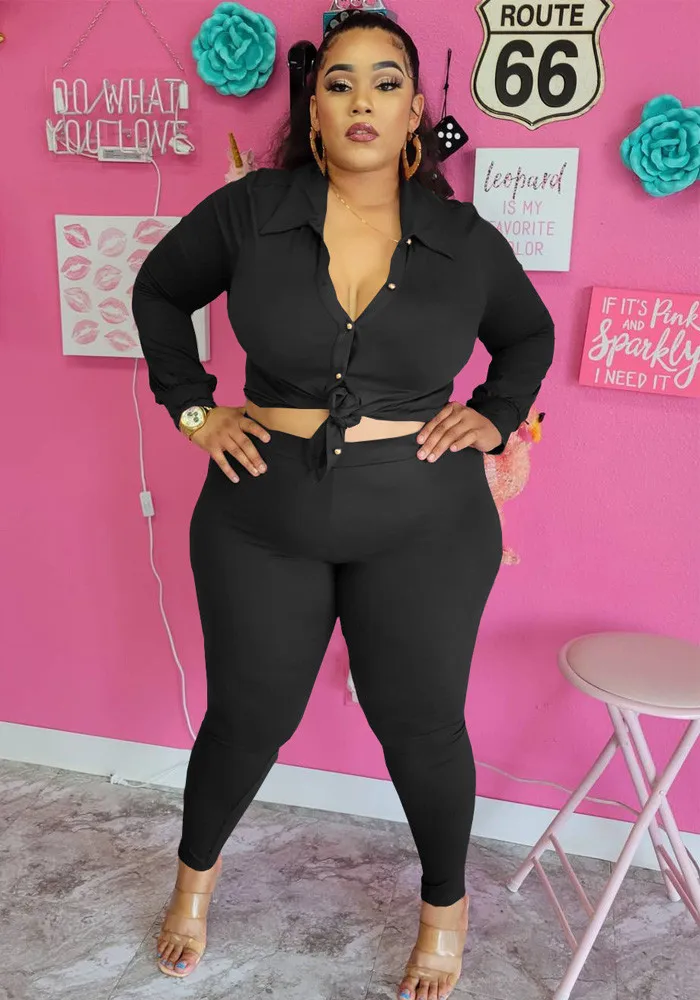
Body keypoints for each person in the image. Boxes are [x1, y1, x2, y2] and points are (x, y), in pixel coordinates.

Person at [131, 11, 555, 1000]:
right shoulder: (251, 212)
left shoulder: (462, 238)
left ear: (414, 110)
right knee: (248, 715)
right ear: (314, 111)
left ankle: (443, 909)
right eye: (339, 82)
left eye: (385, 81)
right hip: (259, 515)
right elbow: (157, 291)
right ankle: (193, 883)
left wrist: (495, 416)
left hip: (427, 523)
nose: (362, 98)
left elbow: (528, 335)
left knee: (421, 723)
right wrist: (194, 408)